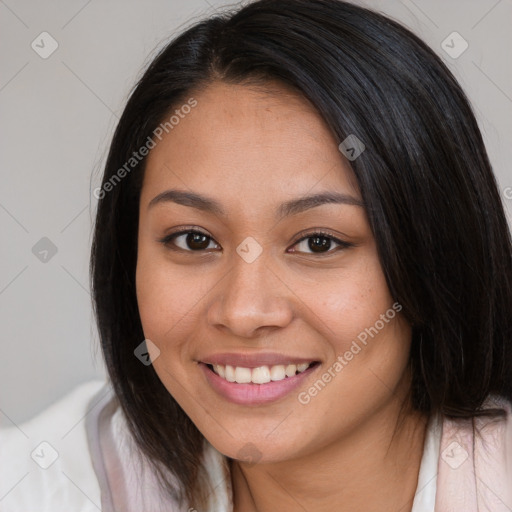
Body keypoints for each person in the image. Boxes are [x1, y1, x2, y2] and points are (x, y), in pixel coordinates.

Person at [2, 0, 511, 510]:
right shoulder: (38, 486)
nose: (243, 312)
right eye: (194, 240)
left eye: (319, 242)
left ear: (437, 254)